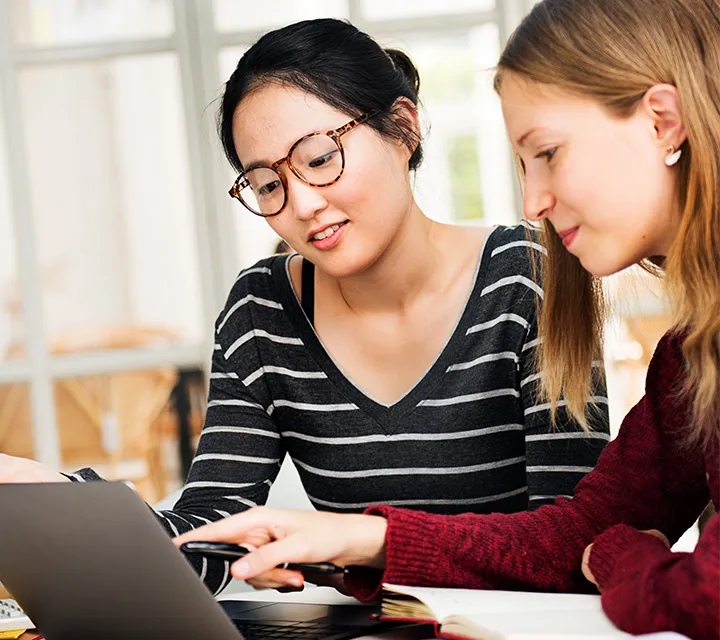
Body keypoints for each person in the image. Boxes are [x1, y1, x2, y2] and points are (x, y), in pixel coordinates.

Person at [0, 19, 608, 596]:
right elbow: (208, 537)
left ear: (404, 128)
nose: (303, 203)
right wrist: (64, 497)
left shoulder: (530, 278)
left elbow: (575, 542)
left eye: (319, 158)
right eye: (267, 184)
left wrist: (363, 543)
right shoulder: (261, 312)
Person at [174, 1, 720, 638]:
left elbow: (689, 587)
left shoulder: (524, 275)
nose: (533, 200)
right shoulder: (692, 352)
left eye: (547, 152)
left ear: (663, 122)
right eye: (266, 183)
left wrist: (620, 556)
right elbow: (581, 531)